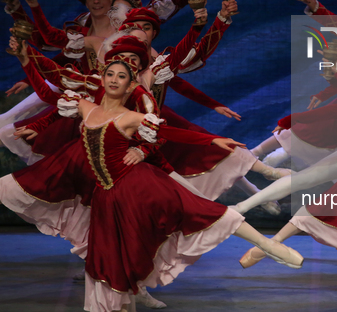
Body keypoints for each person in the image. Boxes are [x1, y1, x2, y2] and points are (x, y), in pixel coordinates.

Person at [4, 34, 304, 312]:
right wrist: (24, 56)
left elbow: (169, 131)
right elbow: (48, 88)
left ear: (130, 83)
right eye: (110, 74)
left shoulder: (134, 114)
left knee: (196, 208)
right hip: (107, 195)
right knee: (113, 258)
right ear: (102, 76)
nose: (114, 80)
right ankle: (123, 302)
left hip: (137, 184)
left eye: (122, 76)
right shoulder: (85, 106)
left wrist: (210, 139)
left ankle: (267, 244)